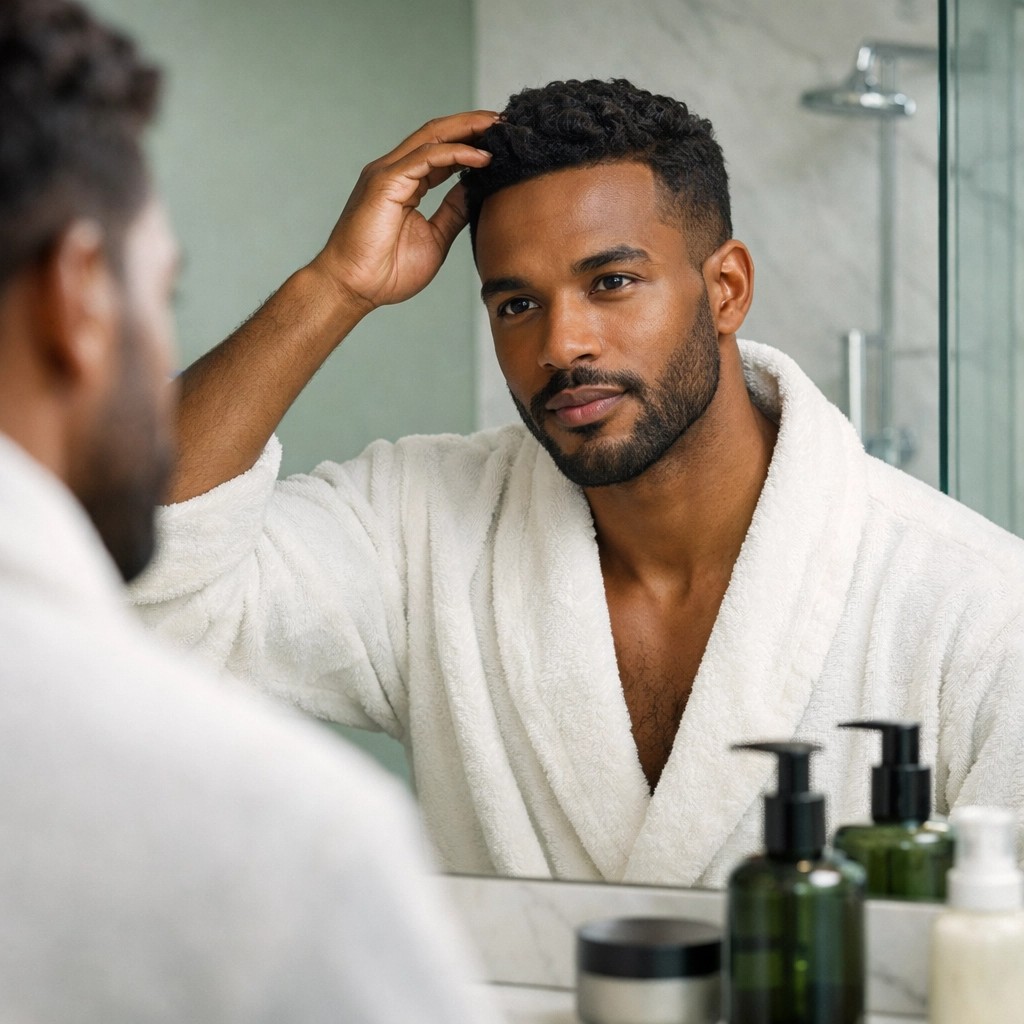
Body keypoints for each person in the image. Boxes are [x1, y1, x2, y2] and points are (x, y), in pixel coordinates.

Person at [131, 78, 1024, 887]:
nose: (562, 346)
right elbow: (147, 574)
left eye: (613, 282)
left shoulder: (973, 608)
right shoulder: (427, 529)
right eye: (516, 304)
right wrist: (335, 286)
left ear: (726, 289)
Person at [0, 1, 506, 1020]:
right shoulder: (282, 840)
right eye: (165, 295)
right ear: (81, 296)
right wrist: (332, 287)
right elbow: (184, 574)